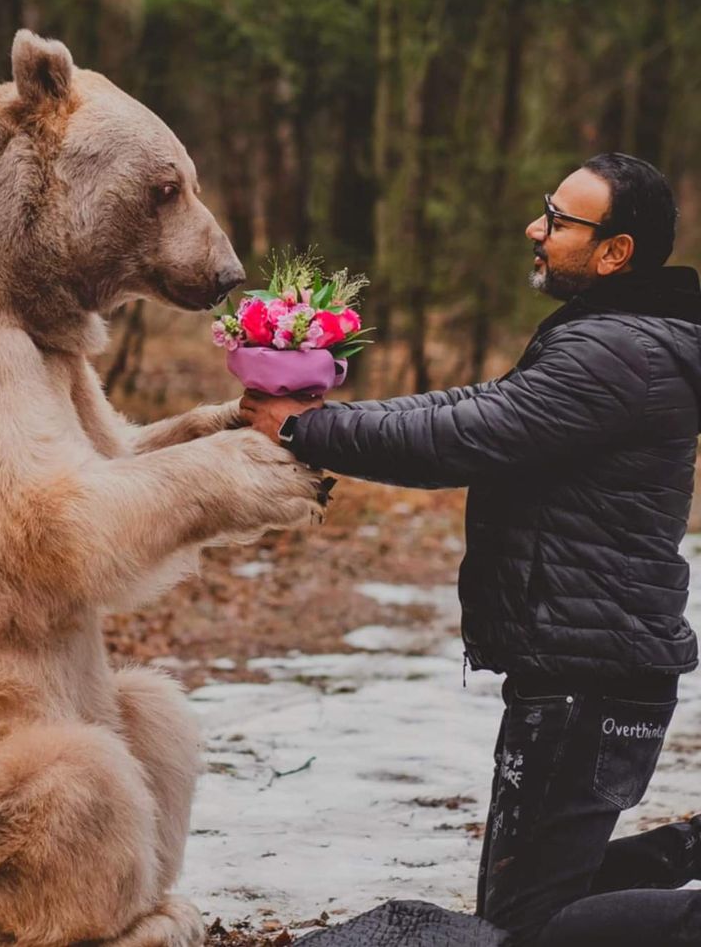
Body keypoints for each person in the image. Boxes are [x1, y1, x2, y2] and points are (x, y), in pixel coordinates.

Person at [241, 153, 701, 947]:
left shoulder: (618, 352)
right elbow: (474, 404)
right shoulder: (616, 336)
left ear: (615, 252)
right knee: (527, 906)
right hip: (589, 664)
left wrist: (305, 431)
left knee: (526, 929)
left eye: (558, 219)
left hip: (588, 676)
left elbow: (464, 436)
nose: (535, 228)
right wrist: (323, 417)